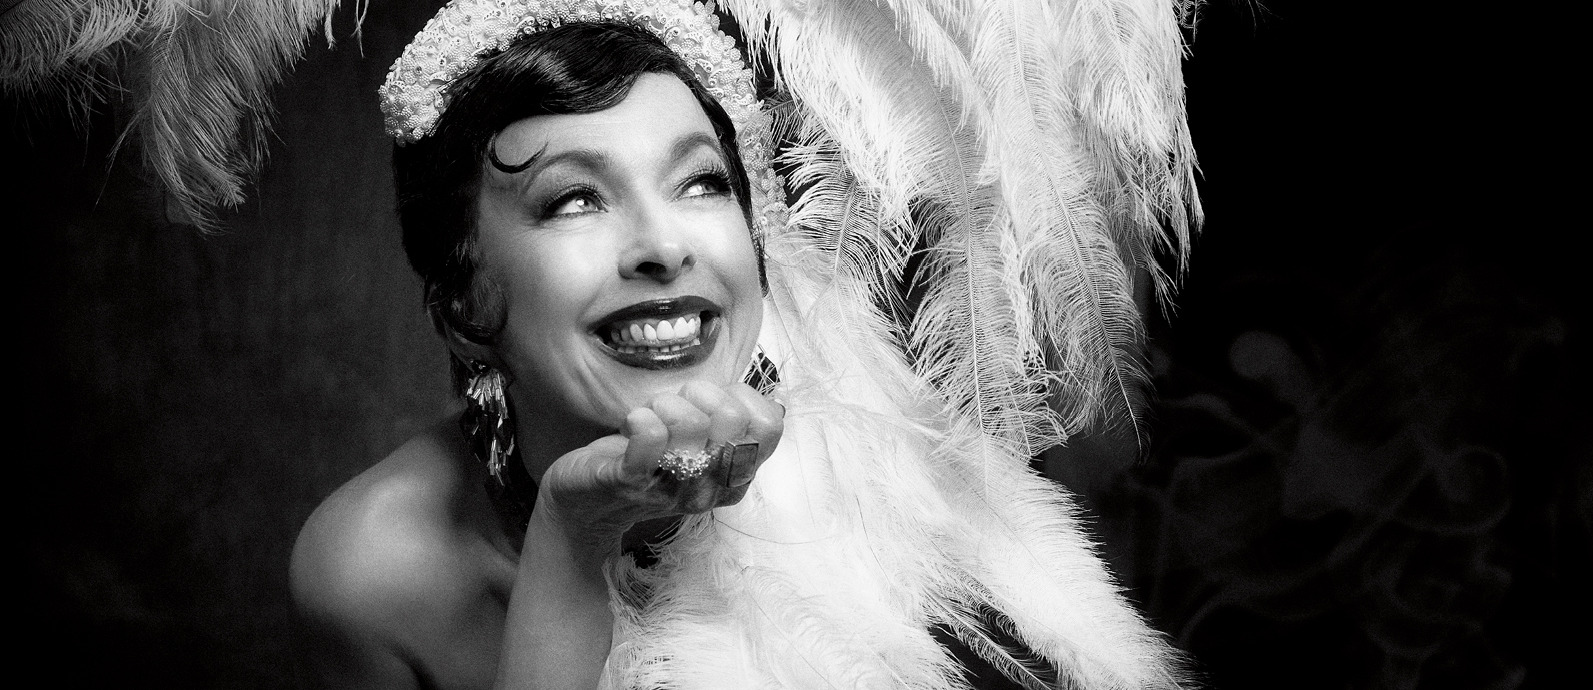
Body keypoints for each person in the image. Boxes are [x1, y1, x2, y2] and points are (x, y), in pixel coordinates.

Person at [272, 0, 1199, 688]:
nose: (664, 245)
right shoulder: (372, 569)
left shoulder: (873, 448)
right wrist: (570, 536)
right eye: (574, 199)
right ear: (463, 307)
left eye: (701, 183)